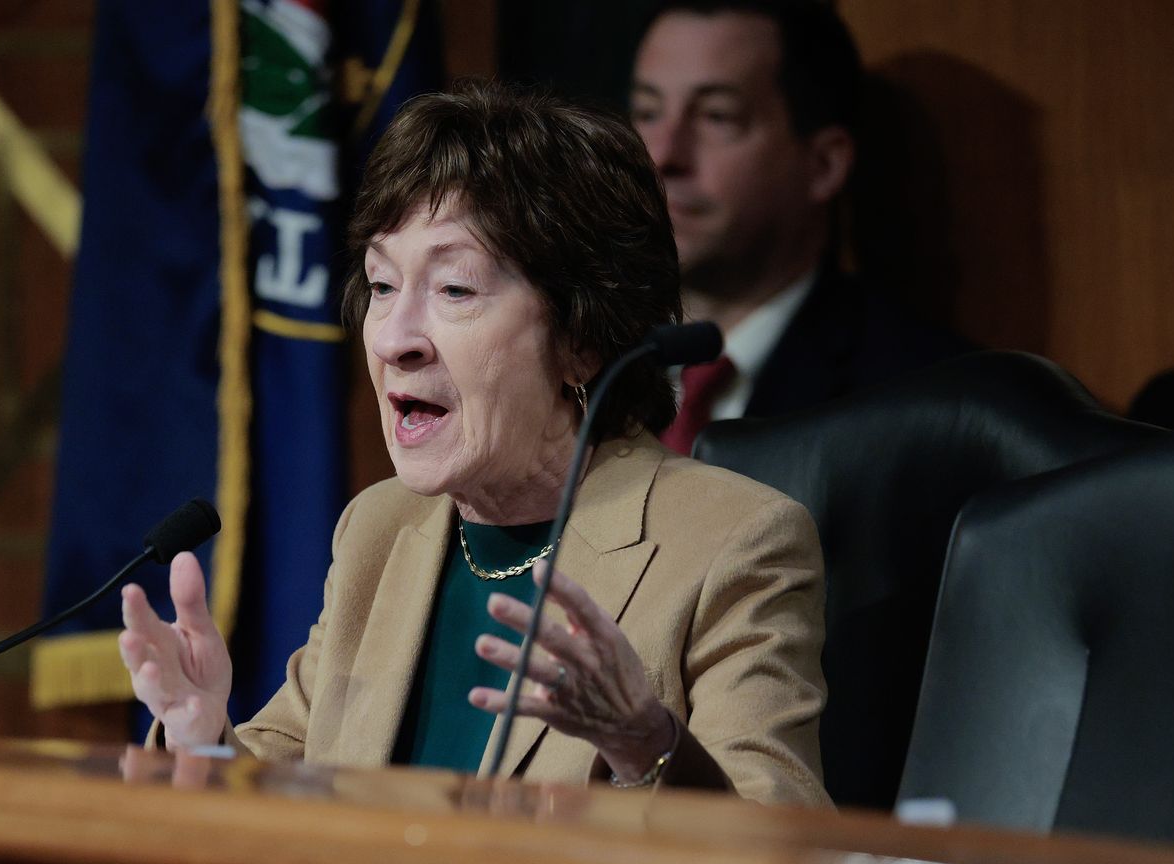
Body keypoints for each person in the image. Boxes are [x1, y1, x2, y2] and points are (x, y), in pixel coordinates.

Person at [118, 83, 830, 808]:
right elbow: (294, 783)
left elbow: (781, 852)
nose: (395, 338)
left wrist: (645, 745)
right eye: (382, 284)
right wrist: (202, 739)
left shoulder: (734, 547)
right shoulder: (380, 529)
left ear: (582, 336)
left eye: (455, 289)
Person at [629, 0, 969, 452]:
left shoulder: (927, 400)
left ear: (824, 165)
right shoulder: (577, 362)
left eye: (717, 117)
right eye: (648, 112)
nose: (663, 156)